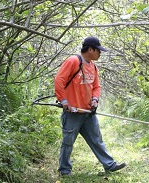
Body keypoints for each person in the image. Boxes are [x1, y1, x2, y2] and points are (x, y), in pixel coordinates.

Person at [54, 36, 126, 176]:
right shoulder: (73, 61)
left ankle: (109, 165)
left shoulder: (93, 66)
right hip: (73, 112)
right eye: (98, 50)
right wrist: (64, 101)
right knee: (68, 143)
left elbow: (96, 86)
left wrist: (95, 100)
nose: (100, 53)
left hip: (88, 112)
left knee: (97, 140)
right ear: (91, 49)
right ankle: (64, 171)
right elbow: (59, 80)